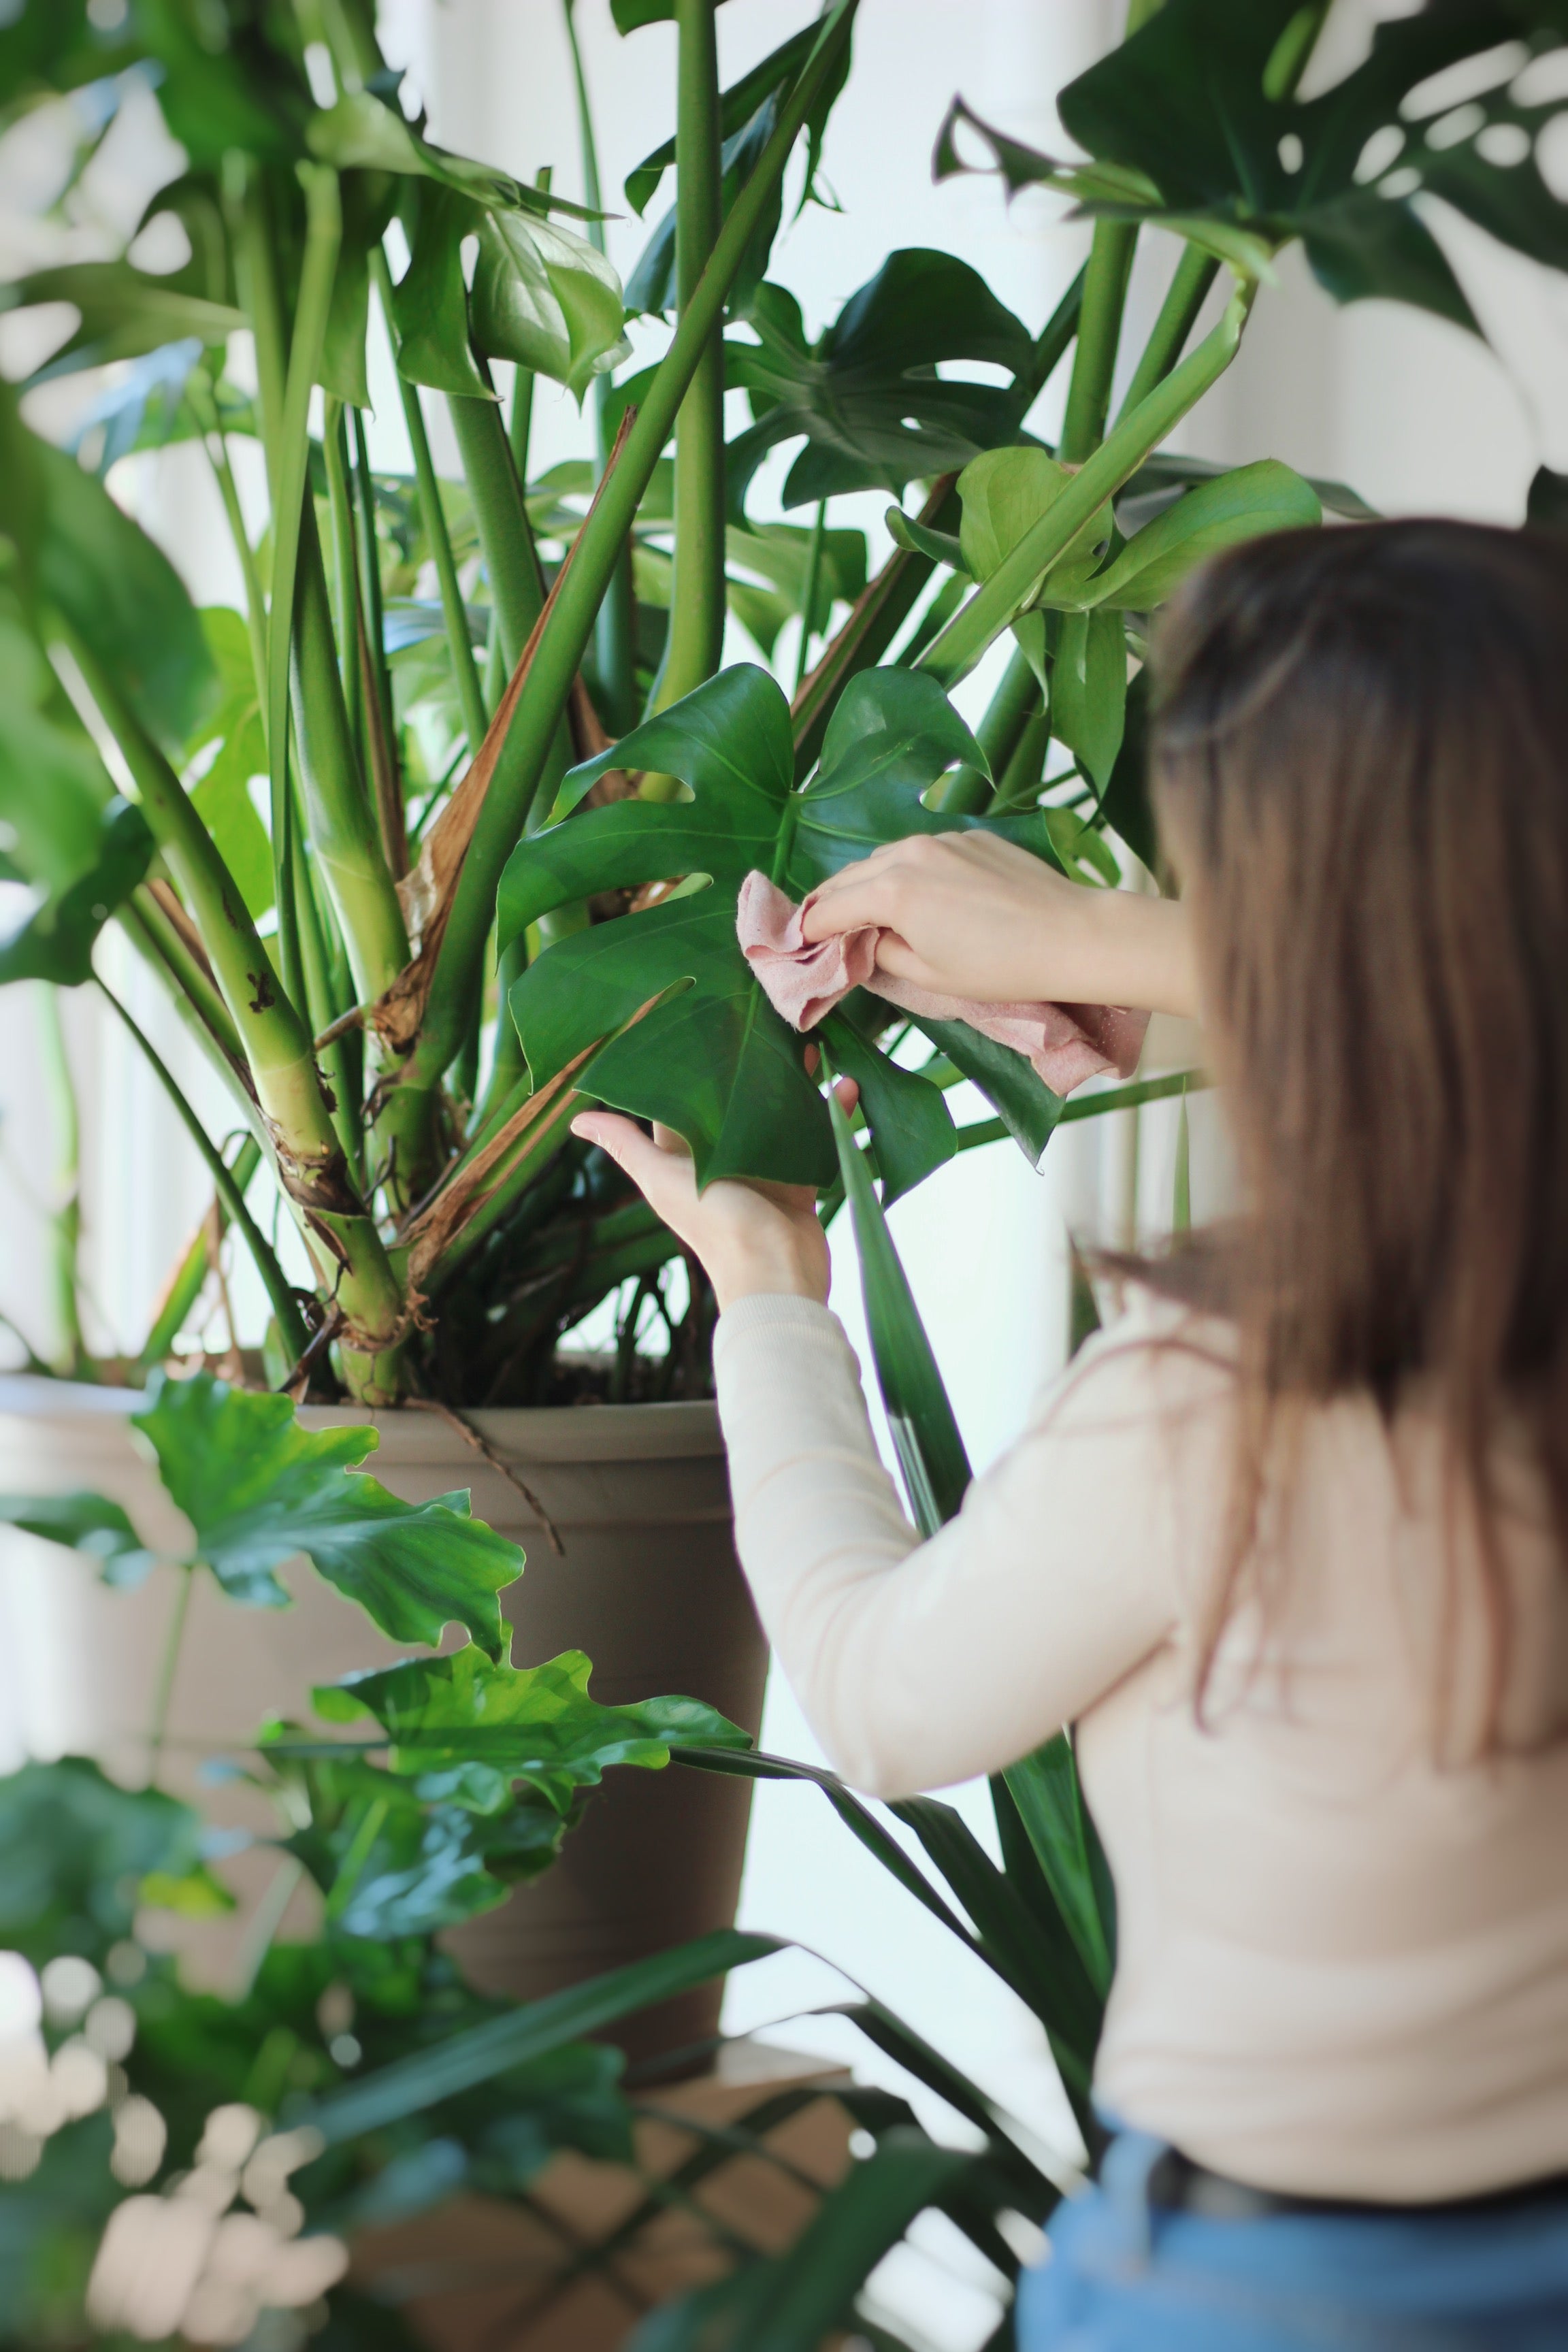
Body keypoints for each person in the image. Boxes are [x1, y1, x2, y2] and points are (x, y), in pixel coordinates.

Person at [570, 520, 1568, 2350]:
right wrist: (1122, 1057)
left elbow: (885, 1693)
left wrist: (770, 1289)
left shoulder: (1215, 1404)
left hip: (1266, 2297)